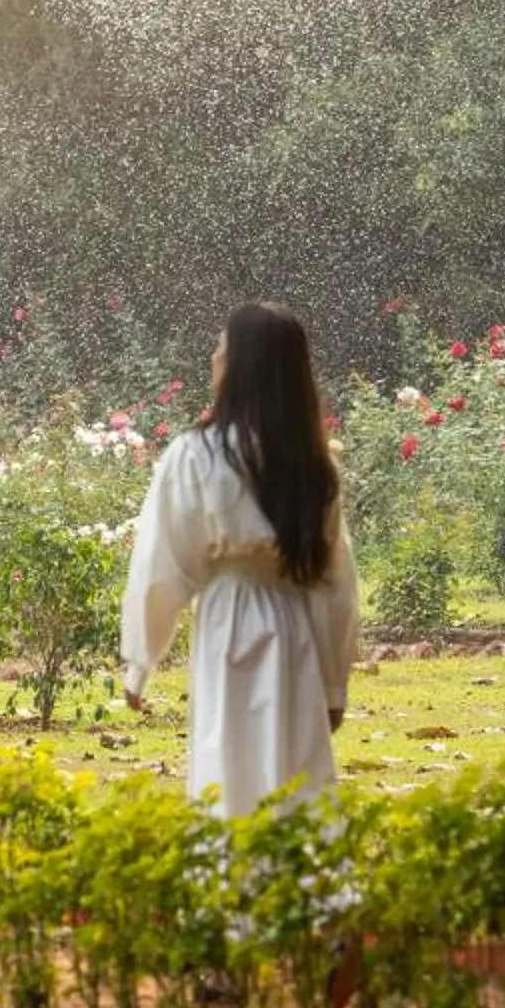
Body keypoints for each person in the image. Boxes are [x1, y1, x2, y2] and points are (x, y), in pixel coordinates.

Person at [120, 301, 362, 817]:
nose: (213, 357)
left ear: (242, 365)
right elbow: (333, 581)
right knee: (295, 773)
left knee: (227, 766)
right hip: (294, 629)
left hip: (228, 626)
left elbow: (163, 567)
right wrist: (333, 683)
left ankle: (233, 860)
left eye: (221, 347)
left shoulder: (198, 455)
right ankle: (297, 862)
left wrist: (140, 662)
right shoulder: (312, 464)